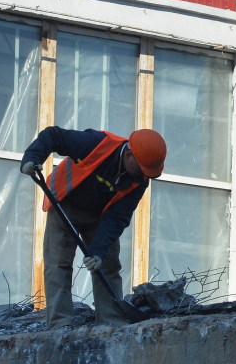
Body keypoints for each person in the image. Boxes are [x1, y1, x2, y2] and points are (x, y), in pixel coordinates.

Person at [20, 127, 167, 327]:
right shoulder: (95, 144)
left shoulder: (140, 179)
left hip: (100, 216)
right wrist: (33, 157)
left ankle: (111, 322)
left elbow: (118, 217)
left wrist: (98, 252)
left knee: (108, 266)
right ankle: (60, 324)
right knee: (58, 264)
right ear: (130, 155)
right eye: (142, 169)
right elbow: (53, 135)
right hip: (65, 203)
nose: (143, 175)